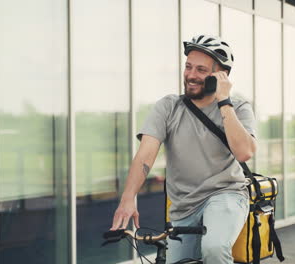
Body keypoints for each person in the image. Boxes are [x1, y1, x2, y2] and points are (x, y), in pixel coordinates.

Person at [110, 35, 257, 264]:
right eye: (188, 67)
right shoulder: (168, 107)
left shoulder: (238, 107)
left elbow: (244, 152)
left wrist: (224, 100)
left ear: (221, 76)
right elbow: (145, 154)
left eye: (201, 69)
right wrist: (128, 197)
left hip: (225, 194)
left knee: (215, 248)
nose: (191, 75)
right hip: (183, 206)